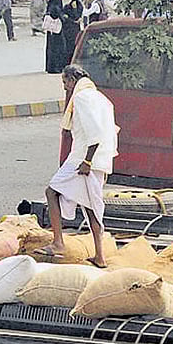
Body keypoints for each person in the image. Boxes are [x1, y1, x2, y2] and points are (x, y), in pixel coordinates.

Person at [40, 65, 119, 268]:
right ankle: (99, 256)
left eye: (65, 83)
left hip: (84, 158)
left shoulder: (83, 98)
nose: (65, 88)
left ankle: (58, 242)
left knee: (52, 192)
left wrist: (87, 161)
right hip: (98, 159)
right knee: (90, 206)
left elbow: (95, 131)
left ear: (73, 79)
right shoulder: (100, 98)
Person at [44, 0, 68, 74]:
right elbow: (62, 19)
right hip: (57, 32)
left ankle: (50, 67)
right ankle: (57, 67)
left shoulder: (49, 6)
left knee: (50, 49)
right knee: (58, 49)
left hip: (50, 32)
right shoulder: (56, 7)